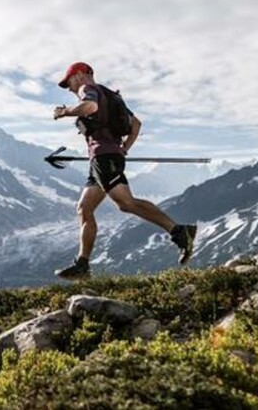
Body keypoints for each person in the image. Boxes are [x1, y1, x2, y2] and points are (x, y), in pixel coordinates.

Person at [51, 61, 196, 279]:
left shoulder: (87, 90)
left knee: (126, 203)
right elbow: (136, 124)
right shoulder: (110, 95)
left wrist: (65, 112)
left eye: (69, 82)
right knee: (84, 208)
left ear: (80, 75)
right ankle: (82, 264)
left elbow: (90, 107)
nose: (70, 88)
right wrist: (124, 148)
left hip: (104, 157)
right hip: (104, 158)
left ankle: (179, 232)